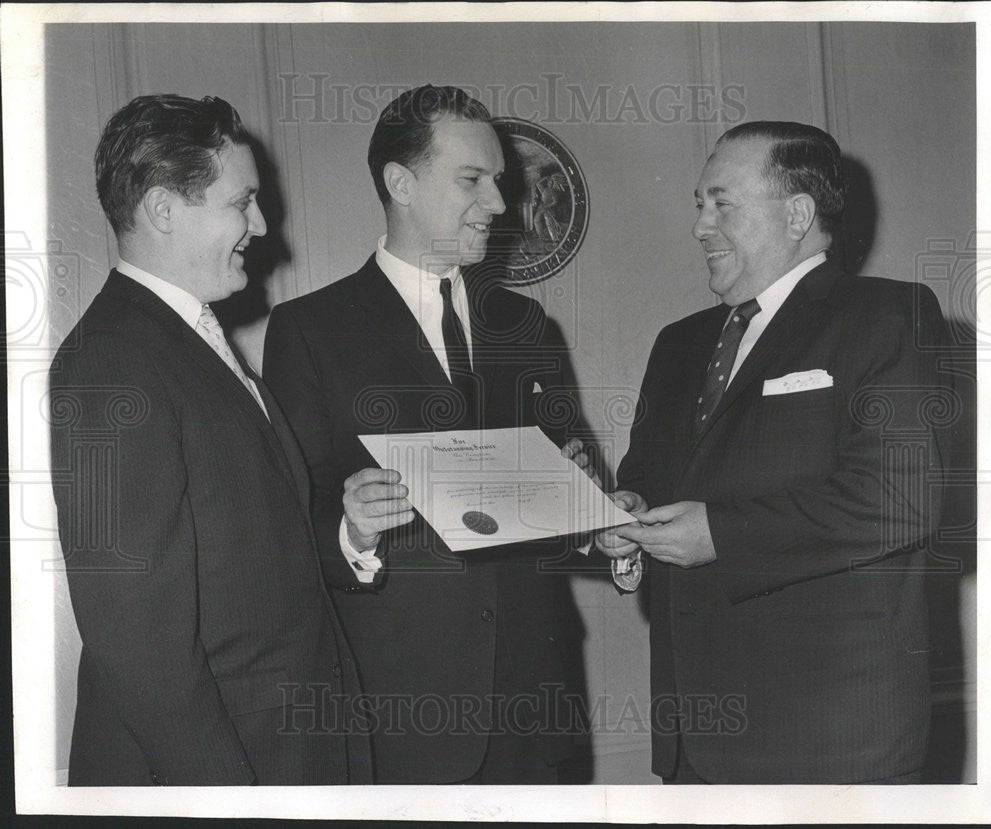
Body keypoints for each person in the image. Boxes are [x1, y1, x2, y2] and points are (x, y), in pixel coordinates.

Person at [596, 121, 953, 784]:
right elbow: (646, 479)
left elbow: (901, 501)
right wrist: (625, 517)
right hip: (692, 743)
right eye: (698, 204)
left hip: (827, 744)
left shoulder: (886, 316)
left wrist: (718, 534)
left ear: (797, 214)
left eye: (722, 203)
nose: (700, 225)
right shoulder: (677, 343)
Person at [263, 85, 593, 784]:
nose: (500, 204)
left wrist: (585, 502)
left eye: (498, 181)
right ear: (400, 182)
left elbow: (563, 514)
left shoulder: (531, 328)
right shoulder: (309, 331)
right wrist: (353, 529)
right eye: (473, 179)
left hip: (536, 713)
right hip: (402, 718)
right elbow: (291, 525)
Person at [49, 94, 371, 786]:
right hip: (225, 770)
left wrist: (349, 533)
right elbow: (134, 633)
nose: (260, 225)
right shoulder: (110, 361)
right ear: (164, 209)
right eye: (241, 202)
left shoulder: (184, 341)